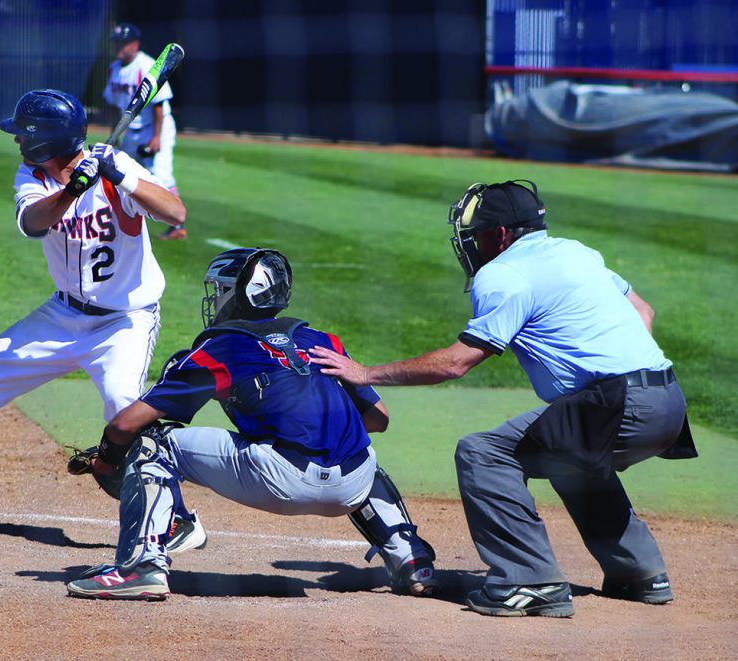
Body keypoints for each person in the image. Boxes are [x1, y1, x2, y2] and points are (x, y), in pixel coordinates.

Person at [310, 180, 696, 618]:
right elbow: (643, 310)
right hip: (668, 399)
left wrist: (365, 373)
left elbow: (456, 363)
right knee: (569, 452)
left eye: (475, 235)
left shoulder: (503, 274)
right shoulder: (575, 251)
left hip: (619, 404)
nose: (471, 245)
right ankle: (641, 574)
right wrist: (628, 367)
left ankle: (530, 582)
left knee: (483, 454)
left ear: (500, 235)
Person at [0, 89, 202, 553]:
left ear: (43, 139)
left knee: (125, 405)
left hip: (124, 321)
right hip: (63, 314)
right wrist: (72, 189)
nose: (15, 142)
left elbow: (176, 211)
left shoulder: (116, 165)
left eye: (22, 134)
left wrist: (119, 177)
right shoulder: (34, 174)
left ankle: (177, 518)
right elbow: (33, 223)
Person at [64, 248, 439, 600]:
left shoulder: (220, 348)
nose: (216, 299)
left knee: (154, 443)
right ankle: (411, 559)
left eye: (222, 290)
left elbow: (126, 423)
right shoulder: (321, 339)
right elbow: (378, 419)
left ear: (241, 295)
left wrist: (109, 457)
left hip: (282, 481)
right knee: (355, 449)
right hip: (353, 488)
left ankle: (140, 567)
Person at [104, 23, 185, 241]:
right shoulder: (114, 69)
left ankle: (177, 225)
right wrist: (115, 135)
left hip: (156, 128)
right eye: (116, 42)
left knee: (160, 173)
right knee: (127, 173)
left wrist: (157, 137)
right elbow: (113, 105)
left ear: (135, 44)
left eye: (123, 42)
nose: (118, 46)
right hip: (131, 129)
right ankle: (125, 218)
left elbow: (159, 104)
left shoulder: (148, 66)